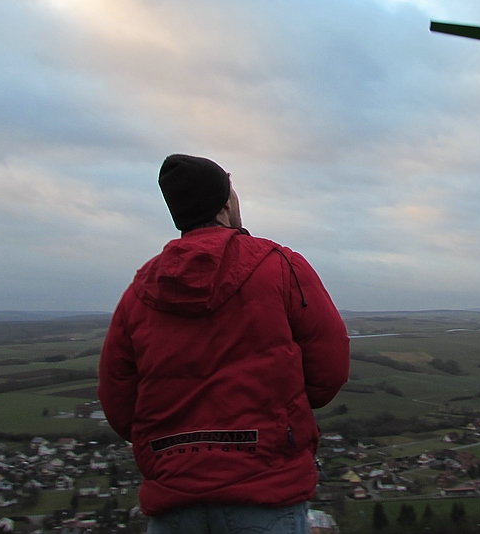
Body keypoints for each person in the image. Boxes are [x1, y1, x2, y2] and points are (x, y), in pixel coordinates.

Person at [99, 155, 350, 534]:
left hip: (174, 500)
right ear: (224, 204)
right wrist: (282, 416)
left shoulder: (140, 291)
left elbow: (119, 402)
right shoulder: (280, 266)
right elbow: (329, 370)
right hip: (266, 490)